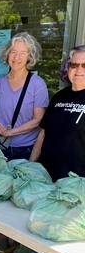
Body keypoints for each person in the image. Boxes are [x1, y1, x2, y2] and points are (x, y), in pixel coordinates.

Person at [0, 32, 49, 253]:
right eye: (13, 52)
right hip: (2, 149)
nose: (17, 57)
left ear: (30, 57)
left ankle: (20, 242)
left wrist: (12, 131)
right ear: (7, 55)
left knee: (21, 197)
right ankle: (3, 235)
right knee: (2, 195)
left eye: (22, 53)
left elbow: (39, 119)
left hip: (26, 149)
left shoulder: (37, 84)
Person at [30, 45, 85, 181]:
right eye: (74, 65)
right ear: (67, 68)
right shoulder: (59, 96)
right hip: (45, 176)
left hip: (75, 183)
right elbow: (43, 133)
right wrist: (30, 165)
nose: (79, 69)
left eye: (84, 65)